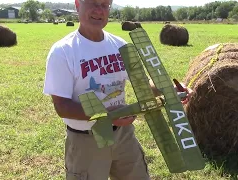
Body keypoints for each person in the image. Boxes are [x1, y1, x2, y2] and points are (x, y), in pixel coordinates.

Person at [43, 0, 192, 179]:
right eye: (93, 2)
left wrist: (168, 90)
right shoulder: (62, 51)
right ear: (77, 4)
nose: (99, 10)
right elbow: (62, 106)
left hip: (123, 136)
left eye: (105, 4)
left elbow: (144, 85)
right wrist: (108, 114)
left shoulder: (120, 45)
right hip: (86, 141)